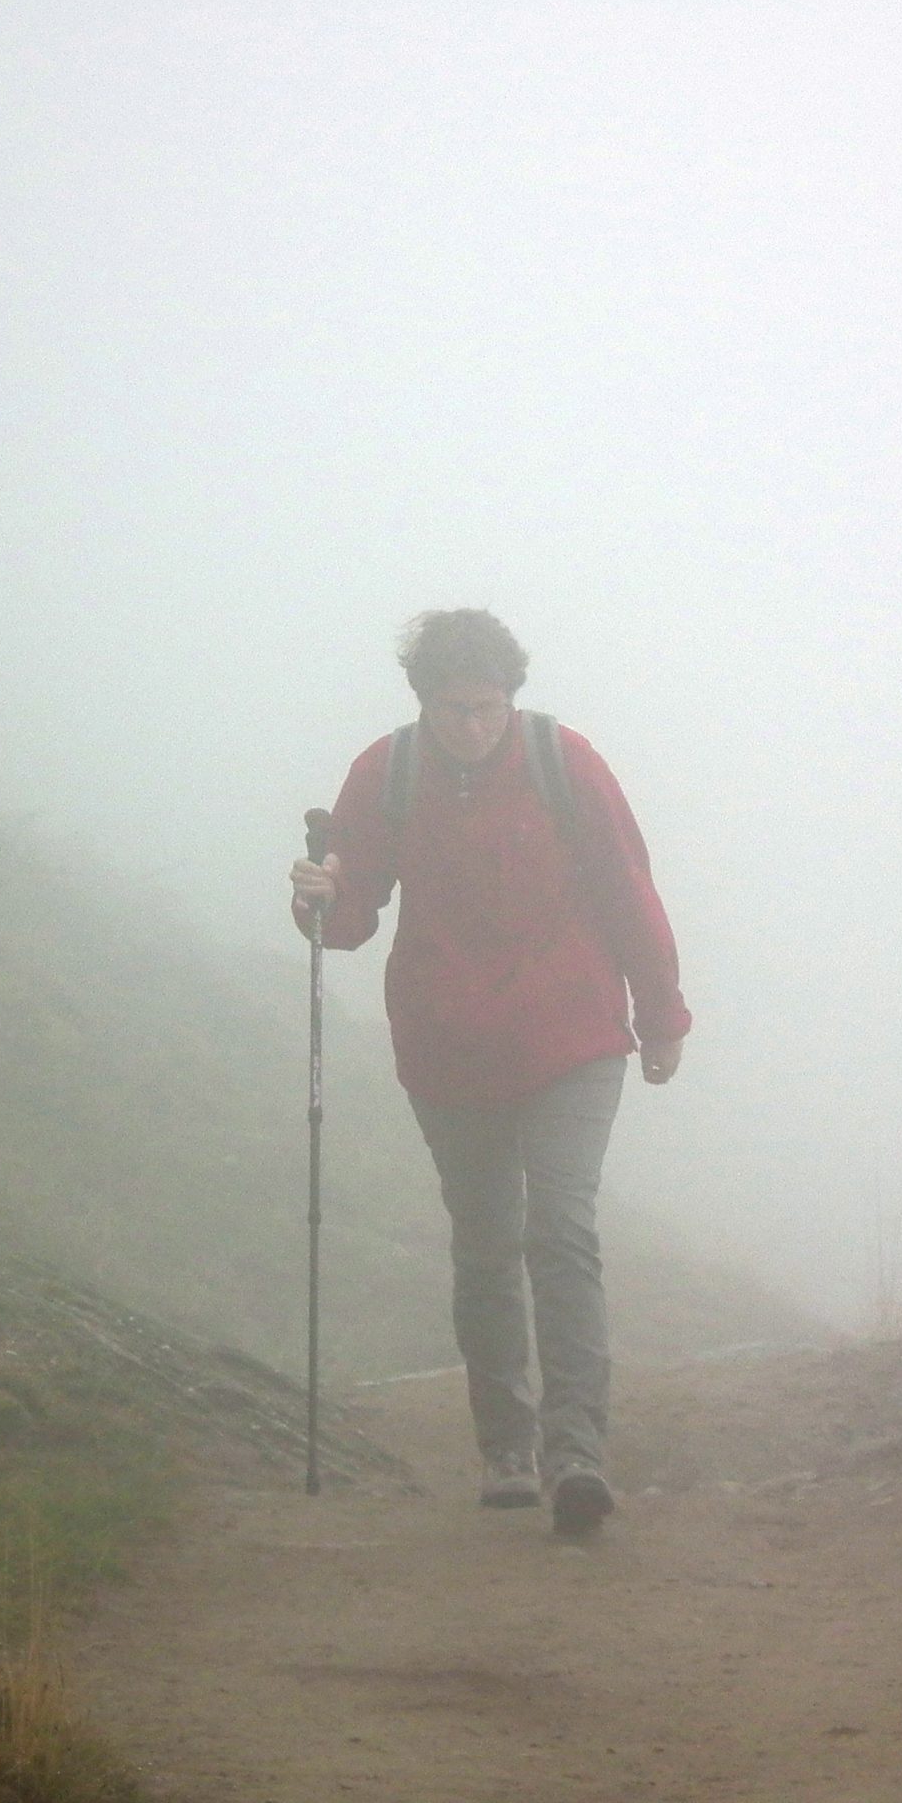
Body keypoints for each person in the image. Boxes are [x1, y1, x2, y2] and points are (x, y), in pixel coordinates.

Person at [288, 608, 690, 1536]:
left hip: (573, 1037)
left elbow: (629, 889)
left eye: (486, 706)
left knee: (561, 1225)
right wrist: (318, 900)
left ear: (512, 696)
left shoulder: (563, 762)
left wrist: (660, 1015)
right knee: (484, 1243)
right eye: (452, 708)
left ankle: (577, 1452)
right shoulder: (384, 775)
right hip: (448, 1044)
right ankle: (506, 1450)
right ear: (422, 701)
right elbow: (350, 915)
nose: (471, 725)